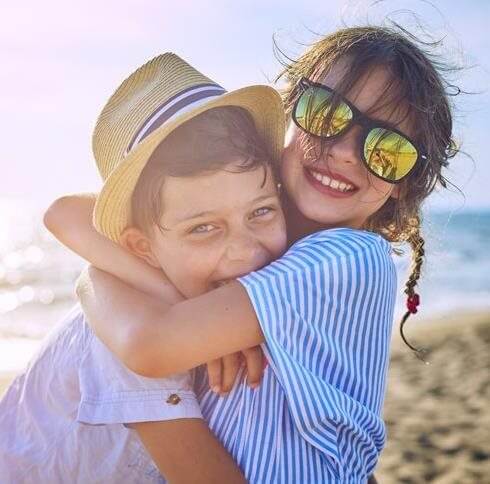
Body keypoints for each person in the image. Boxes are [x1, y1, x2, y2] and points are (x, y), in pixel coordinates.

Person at [58, 26, 457, 482]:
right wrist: (182, 297)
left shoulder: (350, 257)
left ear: (404, 184)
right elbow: (65, 214)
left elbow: (149, 345)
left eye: (388, 150)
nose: (347, 153)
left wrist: (155, 295)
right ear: (290, 108)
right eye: (326, 113)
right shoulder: (260, 248)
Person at [0, 53, 288, 483]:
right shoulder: (126, 336)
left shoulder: (270, 276)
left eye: (261, 211)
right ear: (142, 248)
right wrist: (184, 320)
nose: (245, 253)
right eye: (204, 228)